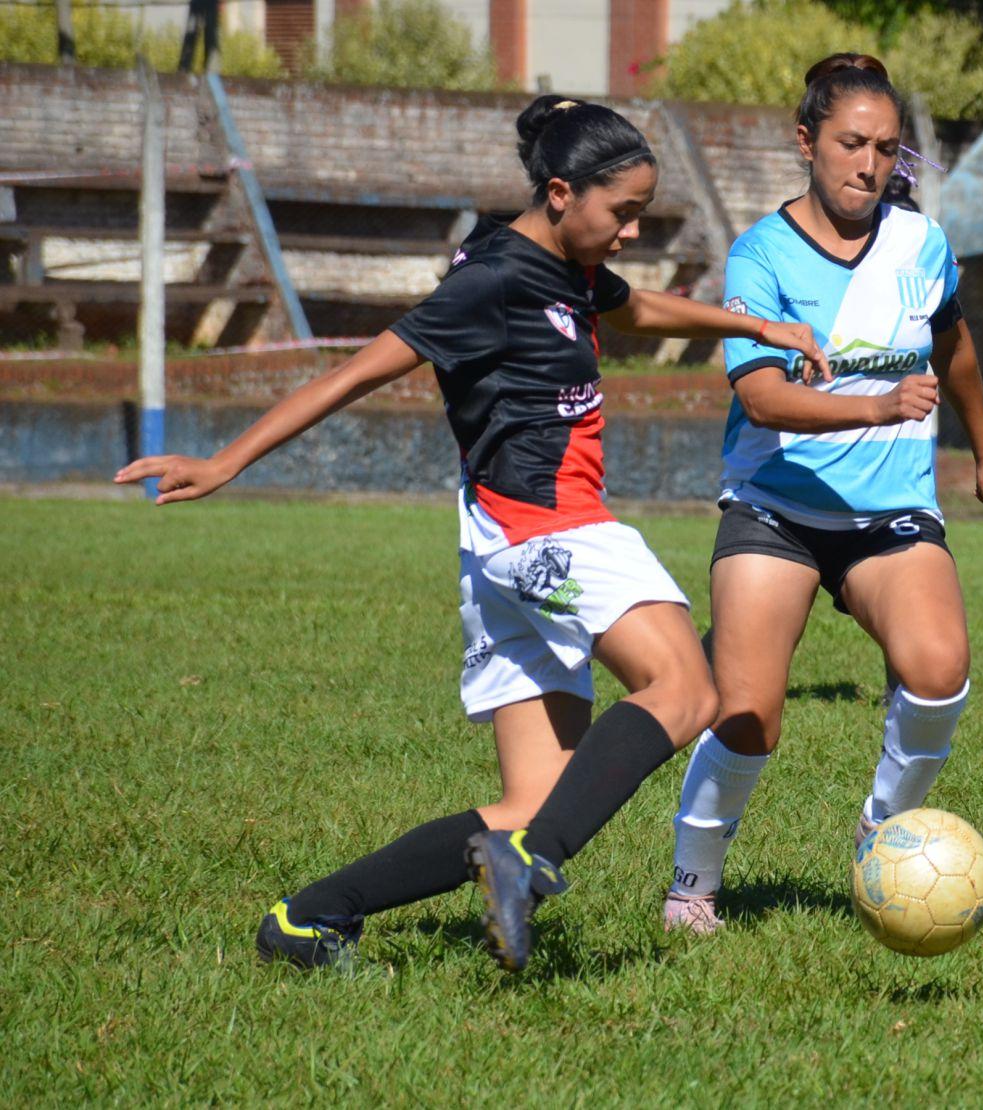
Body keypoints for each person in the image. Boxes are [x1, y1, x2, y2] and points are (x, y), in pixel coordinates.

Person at [115, 95, 828, 973]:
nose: (632, 232)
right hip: (548, 527)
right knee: (685, 689)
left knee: (528, 805)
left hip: (499, 552)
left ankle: (308, 917)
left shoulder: (565, 262)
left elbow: (634, 309)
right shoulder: (490, 281)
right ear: (561, 193)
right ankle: (533, 863)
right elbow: (356, 372)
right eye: (623, 212)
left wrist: (756, 326)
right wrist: (226, 462)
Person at [662, 54, 983, 934]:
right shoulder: (762, 254)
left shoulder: (921, 243)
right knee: (748, 716)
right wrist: (875, 405)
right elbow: (760, 397)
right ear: (806, 141)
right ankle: (692, 884)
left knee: (938, 673)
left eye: (886, 149)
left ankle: (881, 836)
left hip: (889, 513)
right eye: (851, 144)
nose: (869, 165)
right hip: (775, 508)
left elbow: (955, 348)